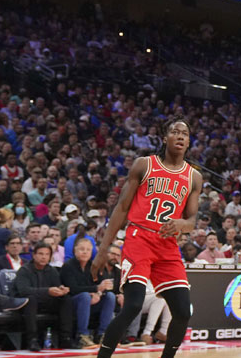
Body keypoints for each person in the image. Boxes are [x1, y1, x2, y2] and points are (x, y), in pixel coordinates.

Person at [90, 118, 202, 358]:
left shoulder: (194, 177)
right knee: (132, 305)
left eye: (185, 133)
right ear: (165, 138)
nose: (180, 136)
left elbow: (191, 220)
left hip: (167, 245)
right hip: (139, 237)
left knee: (183, 311)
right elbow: (121, 207)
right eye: (175, 131)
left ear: (189, 141)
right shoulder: (144, 165)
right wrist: (103, 249)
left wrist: (182, 224)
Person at [12, 243, 71, 351]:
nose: (44, 257)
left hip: (45, 302)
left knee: (66, 300)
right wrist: (48, 291)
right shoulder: (24, 270)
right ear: (34, 255)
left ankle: (65, 338)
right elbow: (24, 291)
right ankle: (32, 340)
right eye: (40, 254)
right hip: (25, 304)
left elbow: (56, 286)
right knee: (31, 300)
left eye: (47, 254)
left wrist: (61, 290)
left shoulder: (52, 270)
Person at [61, 237, 116, 348]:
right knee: (85, 296)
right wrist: (95, 290)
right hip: (72, 303)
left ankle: (102, 334)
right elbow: (72, 289)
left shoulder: (93, 266)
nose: (85, 252)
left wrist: (98, 293)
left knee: (110, 296)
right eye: (82, 249)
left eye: (88, 250)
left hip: (90, 301)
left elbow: (102, 285)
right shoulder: (68, 266)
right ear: (75, 251)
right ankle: (82, 335)